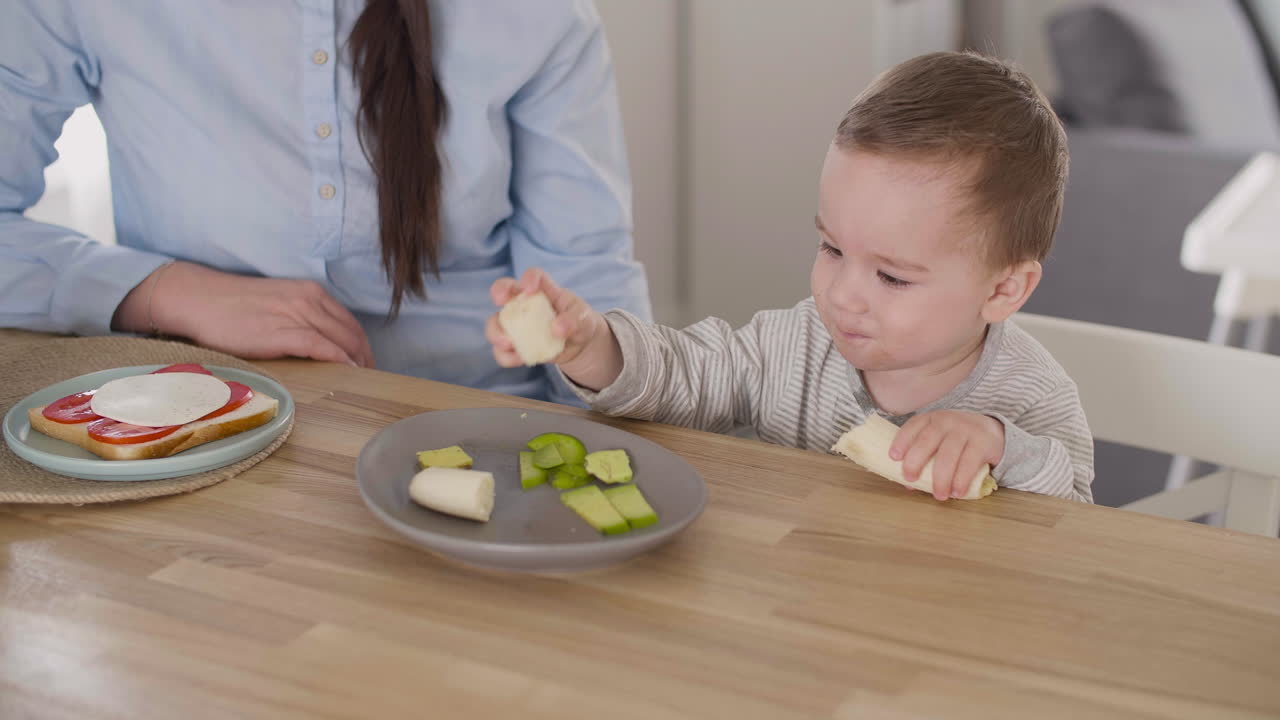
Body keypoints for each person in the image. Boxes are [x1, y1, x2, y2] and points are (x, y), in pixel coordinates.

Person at [487, 51, 1095, 502]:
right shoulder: (792, 347)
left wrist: (1002, 445)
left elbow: (1079, 522)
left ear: (1003, 290)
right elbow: (683, 375)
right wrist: (593, 346)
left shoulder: (1033, 397)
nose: (842, 294)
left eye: (892, 277)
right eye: (831, 248)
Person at [0, 0, 651, 405]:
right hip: (205, 427)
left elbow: (588, 289)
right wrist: (166, 291)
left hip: (481, 429)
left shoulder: (542, 18)